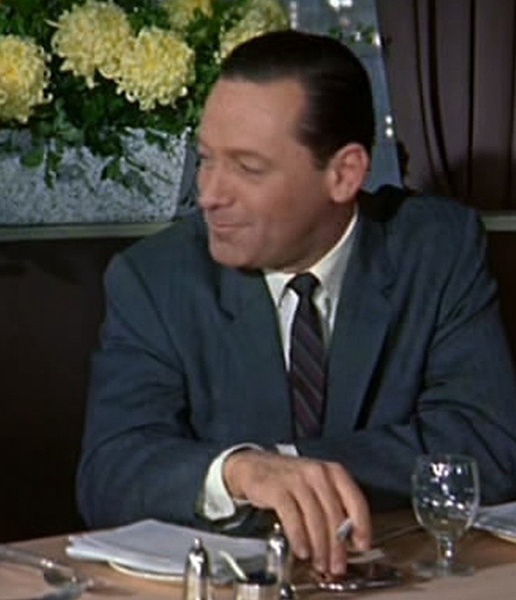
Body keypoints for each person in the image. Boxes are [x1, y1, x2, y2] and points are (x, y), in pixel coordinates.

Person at [77, 30, 516, 578]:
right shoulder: (155, 278)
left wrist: (291, 467)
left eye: (247, 168)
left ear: (344, 174)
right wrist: (238, 473)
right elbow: (111, 470)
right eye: (206, 160)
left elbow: (484, 446)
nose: (209, 194)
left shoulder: (436, 249)